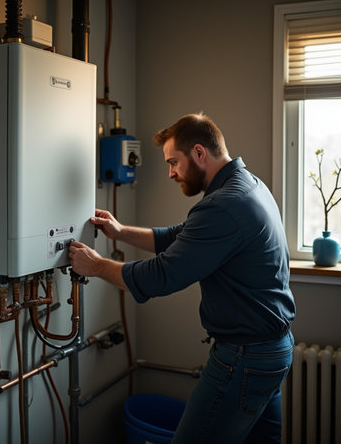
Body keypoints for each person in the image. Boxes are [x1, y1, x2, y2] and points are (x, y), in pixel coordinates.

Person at [69, 113, 296, 443]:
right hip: (273, 349)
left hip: (246, 357)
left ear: (200, 153)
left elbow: (162, 276)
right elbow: (183, 236)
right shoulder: (248, 185)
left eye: (174, 161)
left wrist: (97, 266)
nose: (171, 172)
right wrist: (120, 233)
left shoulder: (225, 204)